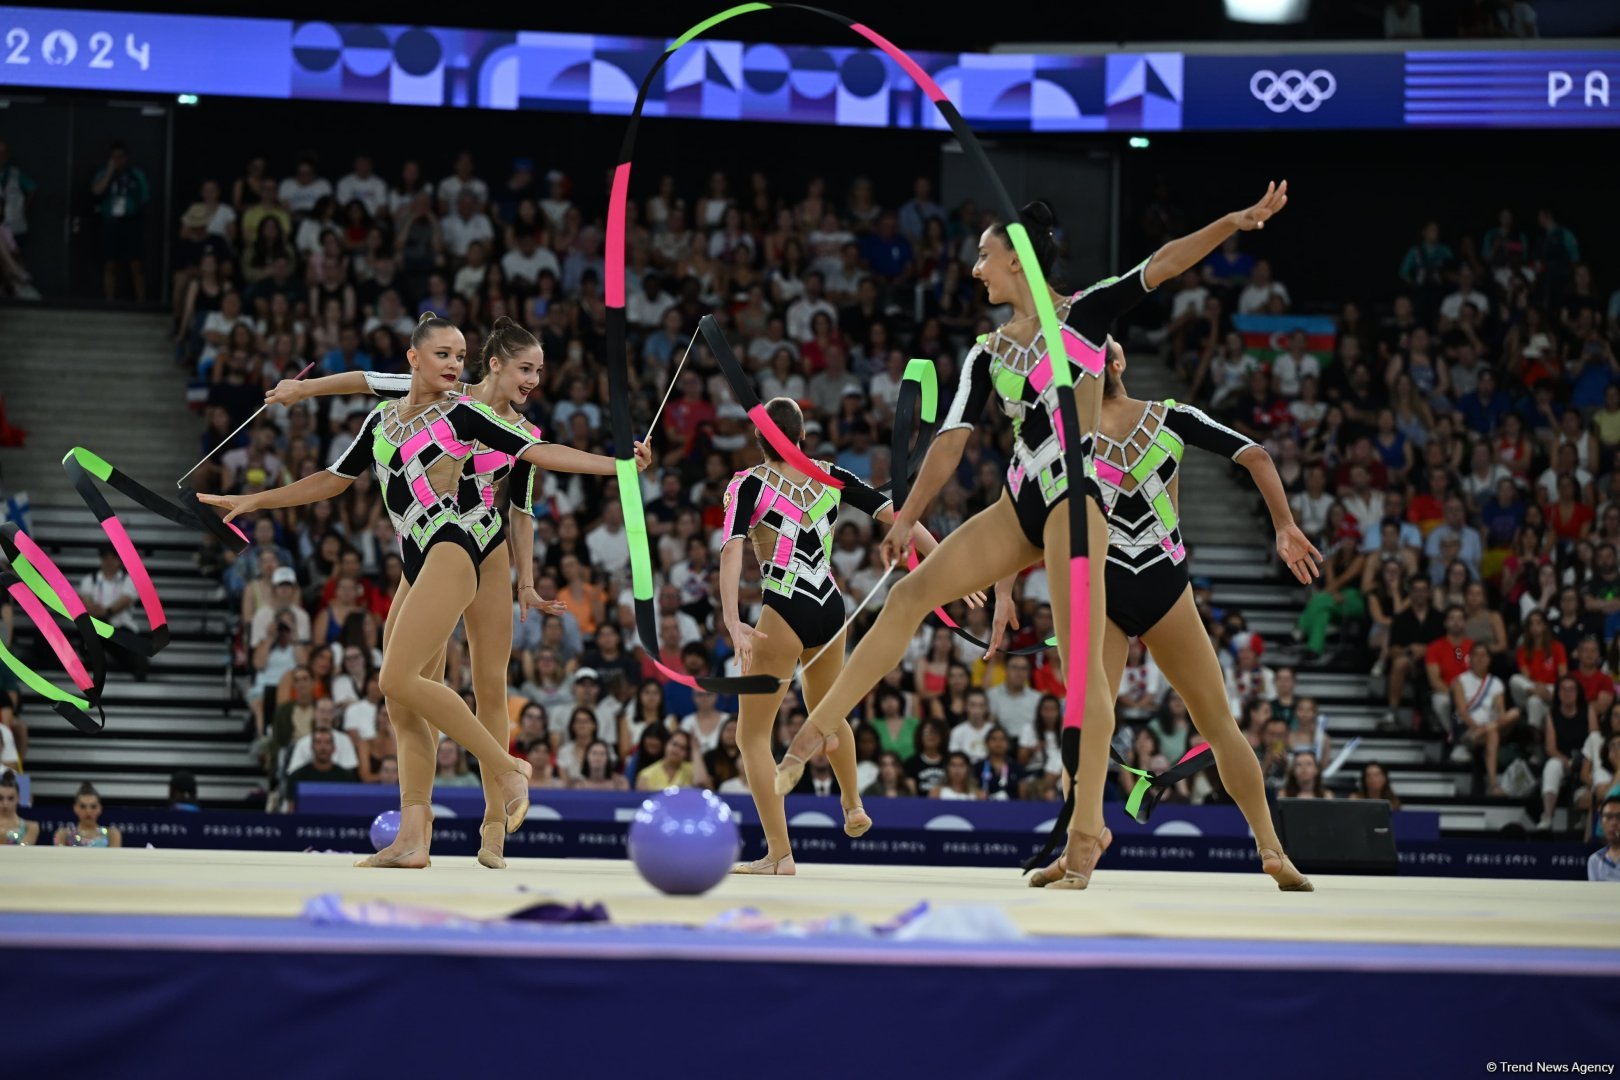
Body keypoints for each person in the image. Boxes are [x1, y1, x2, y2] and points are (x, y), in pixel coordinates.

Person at [779, 184, 1293, 895]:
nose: (975, 270)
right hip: (1020, 500)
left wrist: (1232, 222)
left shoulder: (1085, 318)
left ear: (1016, 260)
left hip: (1074, 505)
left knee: (1088, 676)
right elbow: (952, 441)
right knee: (911, 593)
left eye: (984, 257)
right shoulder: (986, 351)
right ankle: (816, 732)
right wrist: (906, 517)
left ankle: (1093, 834)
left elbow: (1164, 264)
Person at [201, 314, 651, 869]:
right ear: (414, 358)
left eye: (458, 356)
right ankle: (414, 836)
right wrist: (255, 499)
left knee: (429, 678)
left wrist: (620, 468)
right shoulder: (383, 420)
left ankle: (505, 781)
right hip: (416, 556)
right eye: (443, 355)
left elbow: (538, 463)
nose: (453, 366)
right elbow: (335, 469)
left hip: (463, 543)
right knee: (401, 694)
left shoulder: (467, 413)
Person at [1081, 340, 1318, 889]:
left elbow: (1019, 516)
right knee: (1218, 727)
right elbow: (1255, 454)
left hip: (1110, 586)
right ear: (1119, 366)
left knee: (1092, 726)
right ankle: (1270, 846)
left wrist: (1002, 596)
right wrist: (1283, 525)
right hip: (1159, 582)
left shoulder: (1070, 438)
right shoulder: (1169, 418)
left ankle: (1086, 840)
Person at [721, 397, 954, 875]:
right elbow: (899, 515)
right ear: (803, 437)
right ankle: (852, 804)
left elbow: (732, 549)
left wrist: (731, 619)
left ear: (760, 440)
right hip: (829, 605)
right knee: (826, 709)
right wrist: (948, 564)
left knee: (752, 736)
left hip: (784, 608)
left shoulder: (749, 485)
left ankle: (779, 855)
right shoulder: (831, 474)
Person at [1450, 643, 1519, 795]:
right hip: (1468, 731)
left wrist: (1498, 720)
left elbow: (1500, 710)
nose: (1480, 659)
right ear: (1470, 659)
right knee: (1492, 733)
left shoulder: (1496, 683)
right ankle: (1493, 785)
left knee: (1514, 713)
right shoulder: (1460, 681)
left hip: (1491, 726)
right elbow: (1461, 711)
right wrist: (1477, 727)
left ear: (1489, 660)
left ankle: (1493, 785)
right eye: (1476, 655)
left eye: (1484, 655)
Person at [1537, 675, 1598, 831]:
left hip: (1587, 760)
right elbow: (1550, 748)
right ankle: (1547, 815)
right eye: (1564, 689)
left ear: (1578, 693)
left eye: (1571, 689)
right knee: (1552, 766)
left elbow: (1595, 740)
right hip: (1563, 760)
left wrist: (1584, 762)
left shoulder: (1588, 710)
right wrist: (1567, 761)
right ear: (1558, 692)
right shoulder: (1552, 715)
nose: (1567, 693)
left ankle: (1585, 817)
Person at [91, 141, 150, 302]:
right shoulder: (103, 173)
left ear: (127, 157)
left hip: (131, 223)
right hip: (111, 223)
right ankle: (110, 300)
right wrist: (110, 172)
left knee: (136, 264)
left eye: (121, 157)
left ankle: (141, 302)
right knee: (110, 264)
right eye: (114, 157)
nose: (118, 160)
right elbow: (97, 191)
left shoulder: (136, 174)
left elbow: (145, 199)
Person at [53, 782, 122, 847]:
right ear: (75, 808)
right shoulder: (62, 835)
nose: (88, 811)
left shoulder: (112, 835)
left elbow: (114, 859)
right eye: (83, 806)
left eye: (93, 806)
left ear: (100, 808)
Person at [0, 769, 39, 845]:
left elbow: (23, 852)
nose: (5, 803)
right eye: (0, 798)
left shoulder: (31, 827)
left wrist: (4, 841)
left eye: (11, 798)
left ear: (18, 798)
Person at [1590, 796, 1620, 882]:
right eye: (1609, 817)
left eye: (1619, 817)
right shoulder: (1594, 861)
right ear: (1601, 823)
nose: (1614, 823)